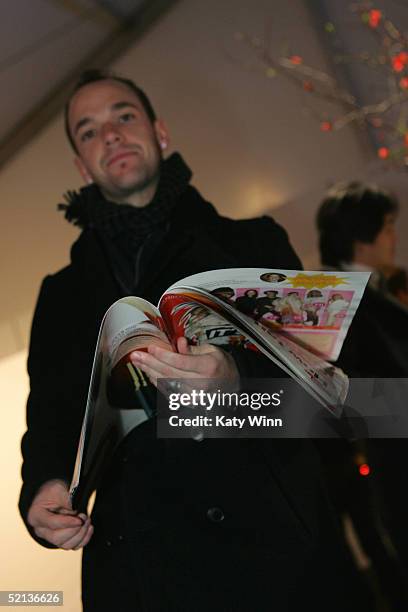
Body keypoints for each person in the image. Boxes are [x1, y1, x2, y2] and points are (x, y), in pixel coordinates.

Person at [20, 70, 367, 612]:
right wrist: (43, 488)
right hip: (138, 570)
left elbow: (327, 402)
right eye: (87, 132)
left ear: (160, 133)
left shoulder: (255, 244)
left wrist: (234, 384)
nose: (108, 134)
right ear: (81, 167)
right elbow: (49, 420)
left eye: (123, 116)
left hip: (272, 557)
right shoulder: (60, 296)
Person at [316, 181, 408, 609]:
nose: (394, 237)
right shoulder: (341, 306)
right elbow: (354, 397)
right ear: (362, 234)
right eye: (388, 227)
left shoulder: (375, 293)